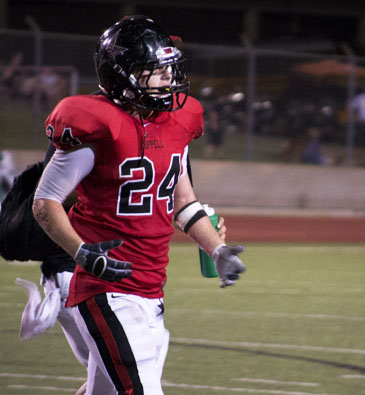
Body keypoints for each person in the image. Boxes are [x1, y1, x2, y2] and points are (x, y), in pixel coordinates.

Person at [31, 15, 245, 394]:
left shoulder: (178, 121)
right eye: (156, 71)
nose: (169, 78)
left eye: (169, 69)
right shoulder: (97, 126)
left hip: (151, 288)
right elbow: (45, 202)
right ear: (122, 75)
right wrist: (80, 253)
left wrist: (218, 249)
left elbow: (184, 202)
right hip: (106, 289)